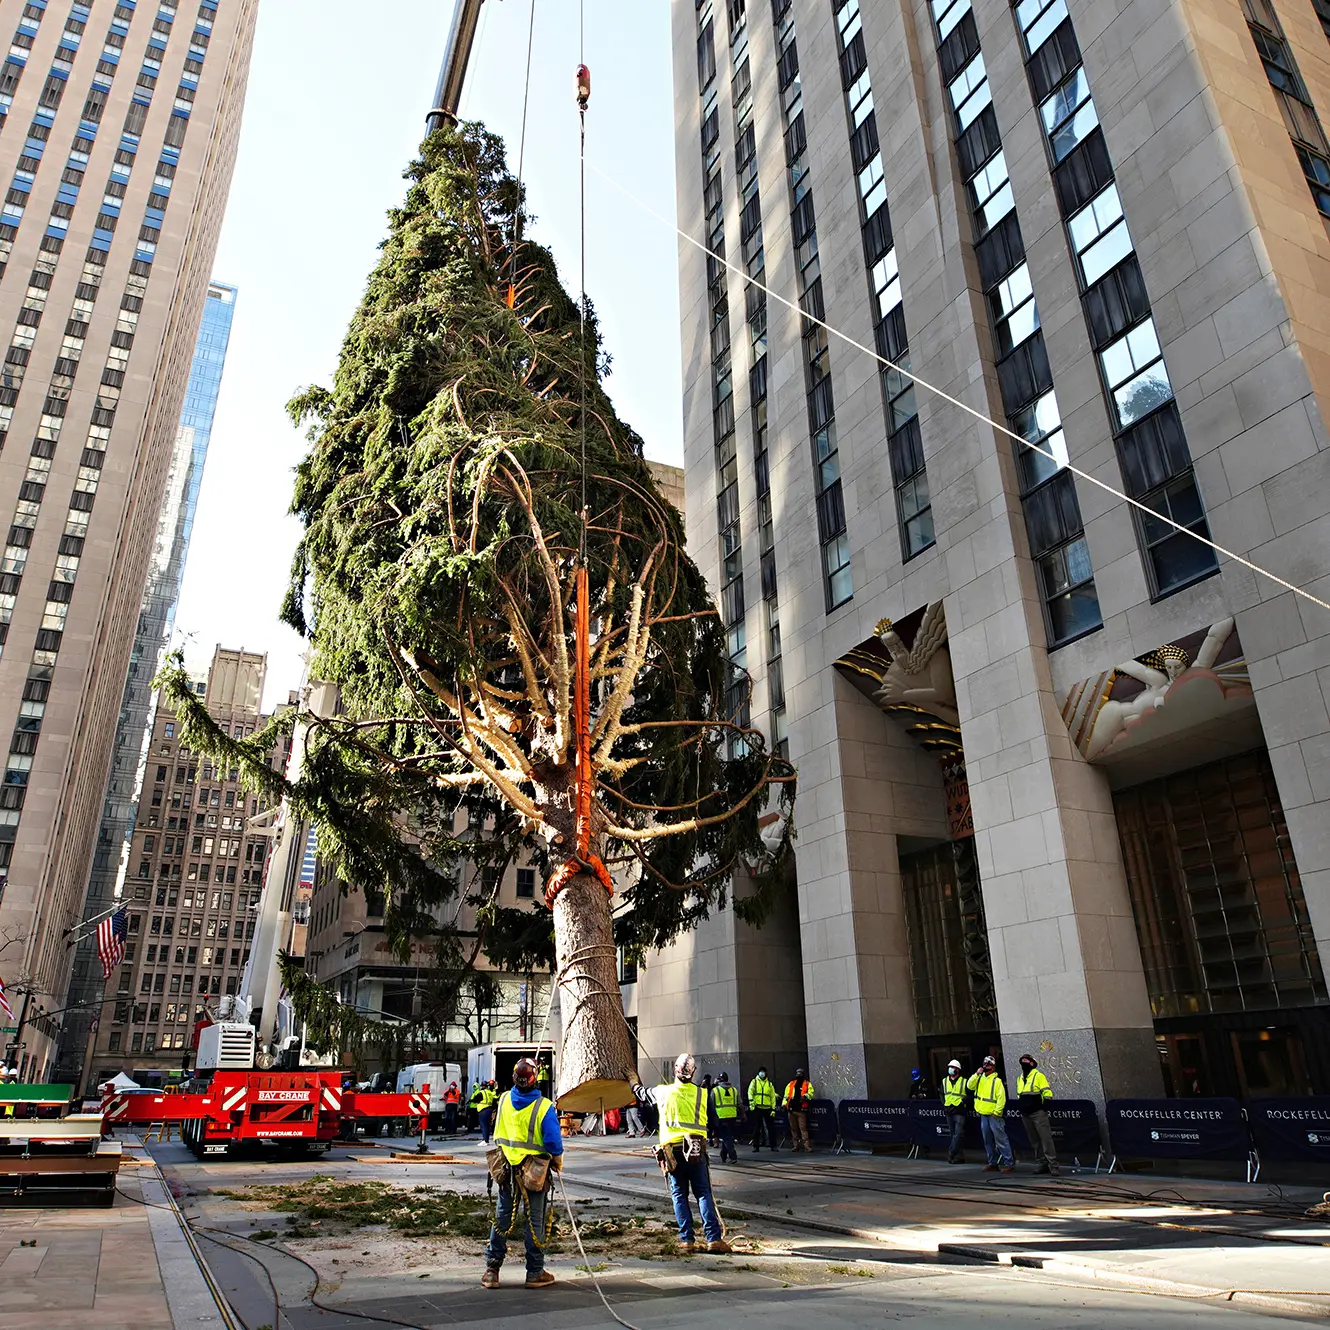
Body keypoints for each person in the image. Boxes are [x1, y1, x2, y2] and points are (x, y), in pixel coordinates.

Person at [482, 1057, 561, 1289]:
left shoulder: (504, 1099)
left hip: (507, 1169)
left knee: (502, 1218)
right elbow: (553, 1141)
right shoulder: (544, 1106)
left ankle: (491, 1271)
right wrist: (557, 1160)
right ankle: (535, 1272)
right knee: (534, 1220)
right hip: (534, 1172)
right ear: (535, 1080)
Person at [646, 1054, 731, 1255]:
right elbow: (714, 1122)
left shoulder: (662, 1092)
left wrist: (633, 1083)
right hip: (695, 1150)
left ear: (675, 1070)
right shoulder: (702, 1094)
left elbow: (642, 1094)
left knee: (679, 1195)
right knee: (703, 1193)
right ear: (693, 1072)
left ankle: (687, 1241)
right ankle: (713, 1239)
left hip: (672, 1153)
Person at [967, 1055, 1014, 1172]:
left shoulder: (996, 1081)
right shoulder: (979, 1078)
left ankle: (1009, 1163)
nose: (986, 1066)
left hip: (994, 1115)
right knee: (987, 1140)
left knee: (1001, 1139)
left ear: (993, 1067)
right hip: (983, 1114)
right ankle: (992, 1163)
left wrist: (997, 1112)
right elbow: (969, 1086)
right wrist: (976, 1074)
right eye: (985, 1064)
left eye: (988, 1065)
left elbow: (1001, 1098)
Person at [1016, 1053, 1059, 1176]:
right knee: (1034, 1140)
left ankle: (1053, 1165)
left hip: (1037, 1112)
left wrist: (1044, 1107)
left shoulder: (1038, 1076)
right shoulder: (1020, 1078)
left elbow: (1047, 1092)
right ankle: (1042, 1163)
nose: (1024, 1063)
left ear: (1031, 1063)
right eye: (1022, 1061)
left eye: (1026, 1061)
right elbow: (1020, 1094)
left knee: (1046, 1139)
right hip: (1026, 1113)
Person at [782, 1067, 816, 1153]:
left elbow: (811, 1093)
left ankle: (806, 1146)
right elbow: (786, 1096)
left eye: (800, 1073)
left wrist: (805, 1097)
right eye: (797, 1073)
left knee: (803, 1129)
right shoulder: (791, 1084)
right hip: (791, 1109)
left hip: (801, 1109)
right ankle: (795, 1145)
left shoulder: (807, 1084)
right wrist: (784, 1105)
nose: (798, 1075)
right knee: (793, 1129)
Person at [941, 1060, 968, 1164]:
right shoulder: (944, 1081)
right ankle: (959, 1156)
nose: (951, 1069)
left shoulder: (964, 1081)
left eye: (953, 1067)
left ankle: (951, 1153)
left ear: (957, 1069)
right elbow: (942, 1094)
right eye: (950, 1067)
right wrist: (945, 1104)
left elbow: (968, 1095)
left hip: (959, 1111)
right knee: (953, 1135)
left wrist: (961, 1103)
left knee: (958, 1134)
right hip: (949, 1110)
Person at [711, 1072, 740, 1163]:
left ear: (719, 1080)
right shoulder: (734, 1090)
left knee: (727, 1137)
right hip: (732, 1116)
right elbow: (740, 1103)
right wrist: (743, 1115)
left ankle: (733, 1156)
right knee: (727, 1136)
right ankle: (723, 1155)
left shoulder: (716, 1090)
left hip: (721, 1117)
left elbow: (711, 1104)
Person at [747, 1067, 777, 1151]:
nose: (762, 1073)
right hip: (758, 1107)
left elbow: (773, 1097)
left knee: (771, 1128)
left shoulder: (769, 1084)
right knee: (757, 1128)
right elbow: (750, 1092)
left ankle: (773, 1146)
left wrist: (773, 1109)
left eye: (763, 1072)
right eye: (761, 1072)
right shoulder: (754, 1082)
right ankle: (756, 1146)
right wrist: (752, 1103)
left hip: (767, 1108)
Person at [478, 1079, 499, 1144]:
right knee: (488, 1124)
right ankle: (486, 1138)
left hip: (490, 1109)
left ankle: (486, 1139)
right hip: (491, 1109)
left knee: (486, 1124)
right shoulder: (490, 1092)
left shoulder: (488, 1092)